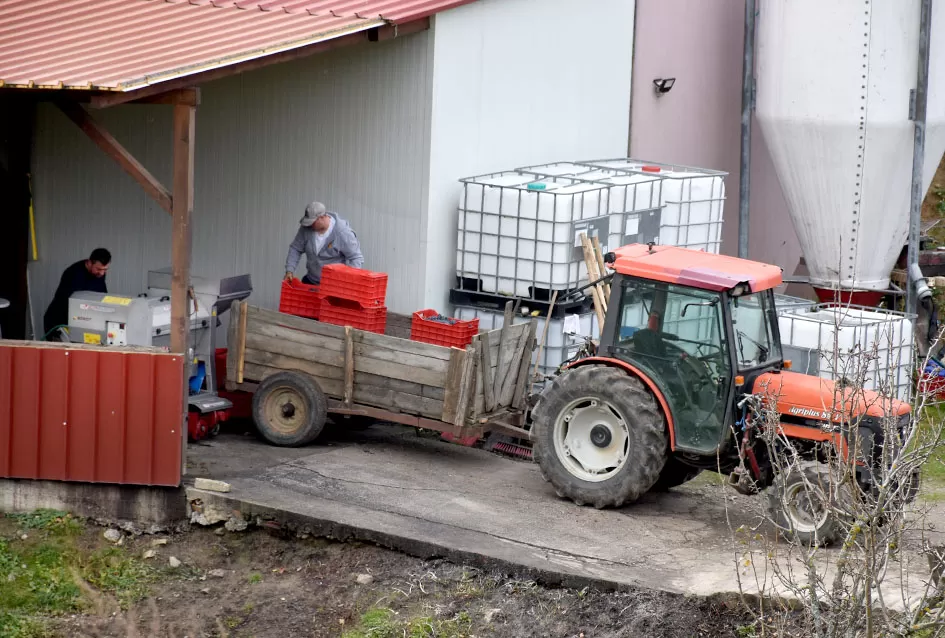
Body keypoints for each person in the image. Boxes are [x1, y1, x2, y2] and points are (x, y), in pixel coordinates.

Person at [284, 201, 363, 285]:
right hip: (312, 281)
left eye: (312, 222)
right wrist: (290, 270)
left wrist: (348, 282)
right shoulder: (306, 229)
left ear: (322, 217)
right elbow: (296, 248)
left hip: (334, 286)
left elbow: (355, 258)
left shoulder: (343, 233)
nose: (309, 225)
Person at [43, 248, 111, 339]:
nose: (102, 273)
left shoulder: (98, 274)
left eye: (105, 270)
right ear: (89, 263)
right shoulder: (73, 274)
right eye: (99, 269)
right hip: (59, 323)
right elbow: (68, 303)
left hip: (80, 322)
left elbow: (101, 296)